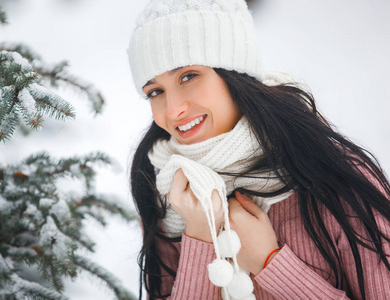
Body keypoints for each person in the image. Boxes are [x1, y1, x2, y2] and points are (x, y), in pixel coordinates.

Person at [127, 0, 390, 299]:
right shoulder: (171, 192)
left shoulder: (336, 179)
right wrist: (199, 233)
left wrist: (271, 263)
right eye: (155, 92)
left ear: (235, 73)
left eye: (188, 76)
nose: (173, 111)